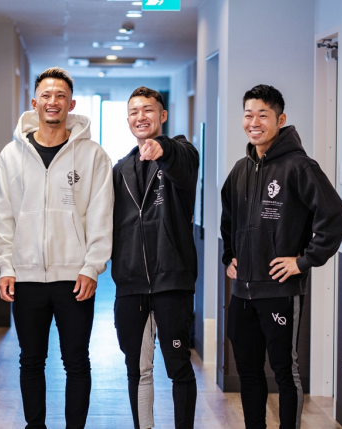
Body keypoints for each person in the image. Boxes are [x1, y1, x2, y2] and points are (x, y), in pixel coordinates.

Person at [220, 84, 342, 429]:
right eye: (248, 115)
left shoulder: (299, 166)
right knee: (247, 371)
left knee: (284, 371)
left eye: (263, 115)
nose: (254, 122)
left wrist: (303, 261)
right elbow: (229, 219)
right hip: (242, 292)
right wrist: (230, 256)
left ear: (280, 120)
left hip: (280, 290)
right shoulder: (240, 169)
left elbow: (335, 216)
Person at [0, 67, 114, 429]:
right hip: (26, 277)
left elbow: (101, 215)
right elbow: (2, 215)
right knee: (30, 360)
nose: (53, 101)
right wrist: (6, 266)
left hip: (75, 278)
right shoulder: (11, 155)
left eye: (61, 95)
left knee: (76, 361)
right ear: (35, 102)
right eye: (46, 95)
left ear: (71, 104)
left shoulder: (93, 155)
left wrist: (92, 267)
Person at [111, 87, 199, 429]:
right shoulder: (121, 169)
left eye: (148, 110)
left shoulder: (182, 154)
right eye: (134, 112)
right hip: (130, 284)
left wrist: (164, 148)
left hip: (172, 282)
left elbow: (180, 160)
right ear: (127, 120)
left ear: (162, 115)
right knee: (137, 369)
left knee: (178, 366)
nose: (141, 117)